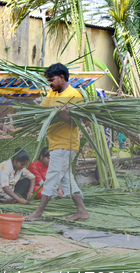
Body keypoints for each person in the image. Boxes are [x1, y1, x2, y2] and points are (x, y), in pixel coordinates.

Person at [25, 63, 89, 221]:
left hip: (66, 145)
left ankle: (38, 212)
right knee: (66, 179)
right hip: (55, 144)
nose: (50, 84)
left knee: (53, 177)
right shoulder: (53, 94)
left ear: (62, 78)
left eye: (52, 80)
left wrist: (64, 115)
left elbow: (80, 123)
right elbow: (43, 110)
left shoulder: (74, 95)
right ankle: (82, 211)